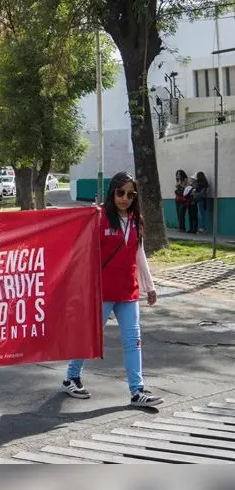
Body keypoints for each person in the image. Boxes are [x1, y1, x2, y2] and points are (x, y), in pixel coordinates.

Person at [62, 171, 163, 408]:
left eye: (130, 194)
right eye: (120, 192)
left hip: (128, 291)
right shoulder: (99, 217)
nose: (124, 198)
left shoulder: (136, 220)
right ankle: (71, 376)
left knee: (133, 340)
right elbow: (81, 249)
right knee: (91, 337)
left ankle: (137, 391)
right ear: (112, 191)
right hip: (102, 291)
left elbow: (139, 254)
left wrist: (150, 286)